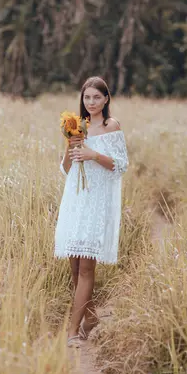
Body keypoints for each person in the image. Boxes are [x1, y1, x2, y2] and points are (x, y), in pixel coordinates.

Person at [54, 76, 129, 348]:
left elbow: (121, 165)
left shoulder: (111, 126)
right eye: (87, 98)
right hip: (76, 199)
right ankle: (92, 316)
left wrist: (93, 155)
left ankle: (72, 331)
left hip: (97, 202)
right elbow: (66, 169)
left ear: (106, 99)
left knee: (86, 268)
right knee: (74, 266)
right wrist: (72, 145)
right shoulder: (78, 126)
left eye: (97, 97)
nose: (91, 102)